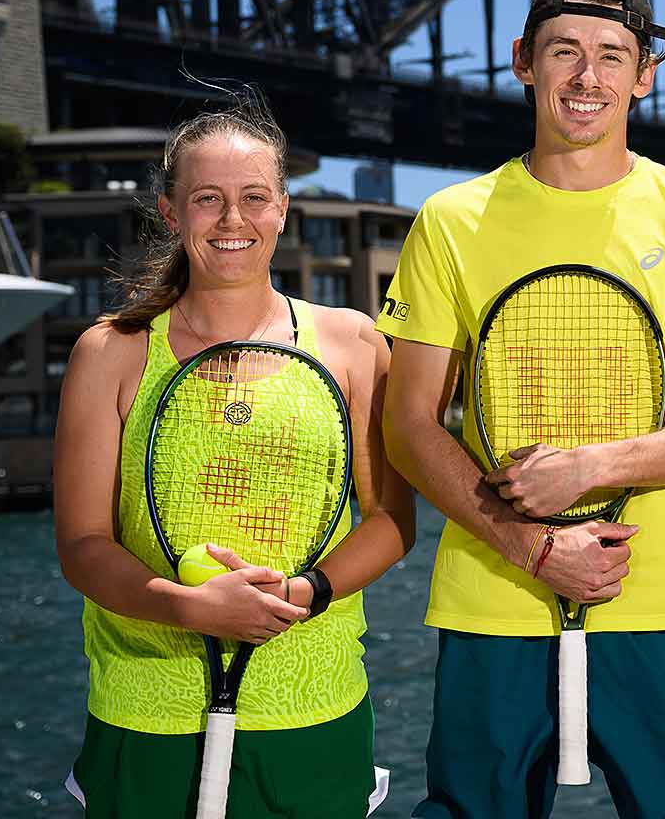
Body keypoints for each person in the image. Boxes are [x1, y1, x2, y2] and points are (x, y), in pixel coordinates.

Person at [377, 0, 665, 818]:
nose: (587, 76)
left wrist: (590, 467)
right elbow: (410, 425)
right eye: (564, 51)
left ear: (645, 74)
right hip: (495, 597)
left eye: (612, 54)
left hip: (658, 597)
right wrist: (528, 543)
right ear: (524, 61)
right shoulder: (452, 218)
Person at [53, 95, 414, 816]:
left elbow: (392, 522)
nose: (232, 221)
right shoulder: (109, 351)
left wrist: (306, 593)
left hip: (312, 707)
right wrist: (188, 609)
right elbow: (83, 546)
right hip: (147, 712)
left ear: (283, 207)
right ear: (170, 210)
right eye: (207, 200)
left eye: (254, 198)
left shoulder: (352, 344)